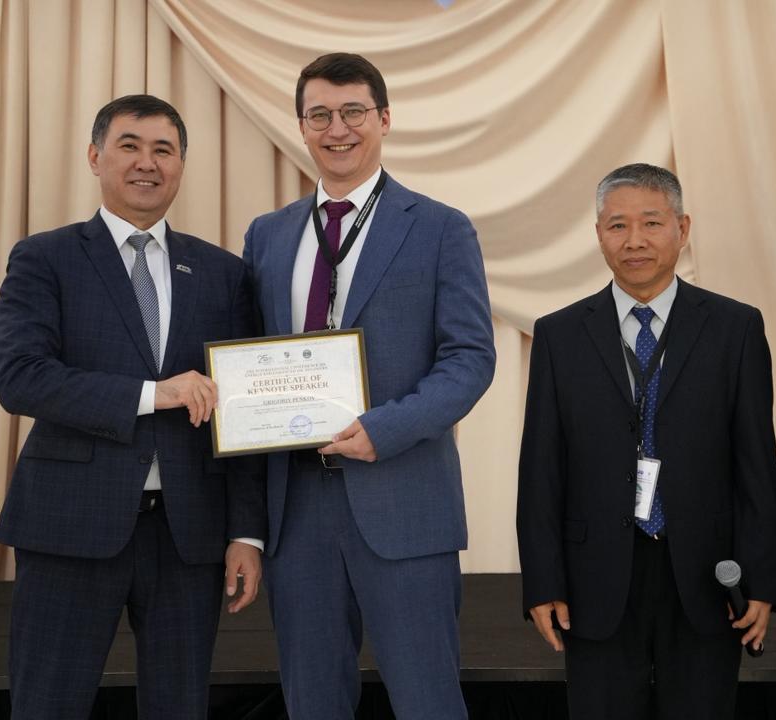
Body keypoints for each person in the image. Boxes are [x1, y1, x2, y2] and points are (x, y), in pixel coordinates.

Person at [0, 94, 266, 719]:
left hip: (189, 536)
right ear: (95, 157)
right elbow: (20, 378)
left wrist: (246, 532)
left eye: (164, 150)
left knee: (180, 708)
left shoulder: (223, 273)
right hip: (68, 526)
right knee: (47, 706)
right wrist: (153, 394)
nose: (147, 163)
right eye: (130, 146)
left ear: (182, 165)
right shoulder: (44, 258)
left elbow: (243, 412)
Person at [242, 53, 495, 719]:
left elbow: (470, 360)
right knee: (312, 703)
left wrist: (384, 430)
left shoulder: (440, 228)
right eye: (319, 115)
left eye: (353, 111)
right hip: (296, 512)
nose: (337, 129)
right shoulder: (267, 236)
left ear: (384, 118)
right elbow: (249, 364)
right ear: (301, 126)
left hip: (404, 500)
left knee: (428, 703)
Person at [516, 163, 776, 719]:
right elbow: (541, 468)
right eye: (617, 225)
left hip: (707, 577)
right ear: (599, 235)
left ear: (682, 229)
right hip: (595, 577)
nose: (634, 240)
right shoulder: (560, 335)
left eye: (652, 223)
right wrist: (542, 580)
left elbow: (757, 464)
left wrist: (761, 579)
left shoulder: (734, 328)